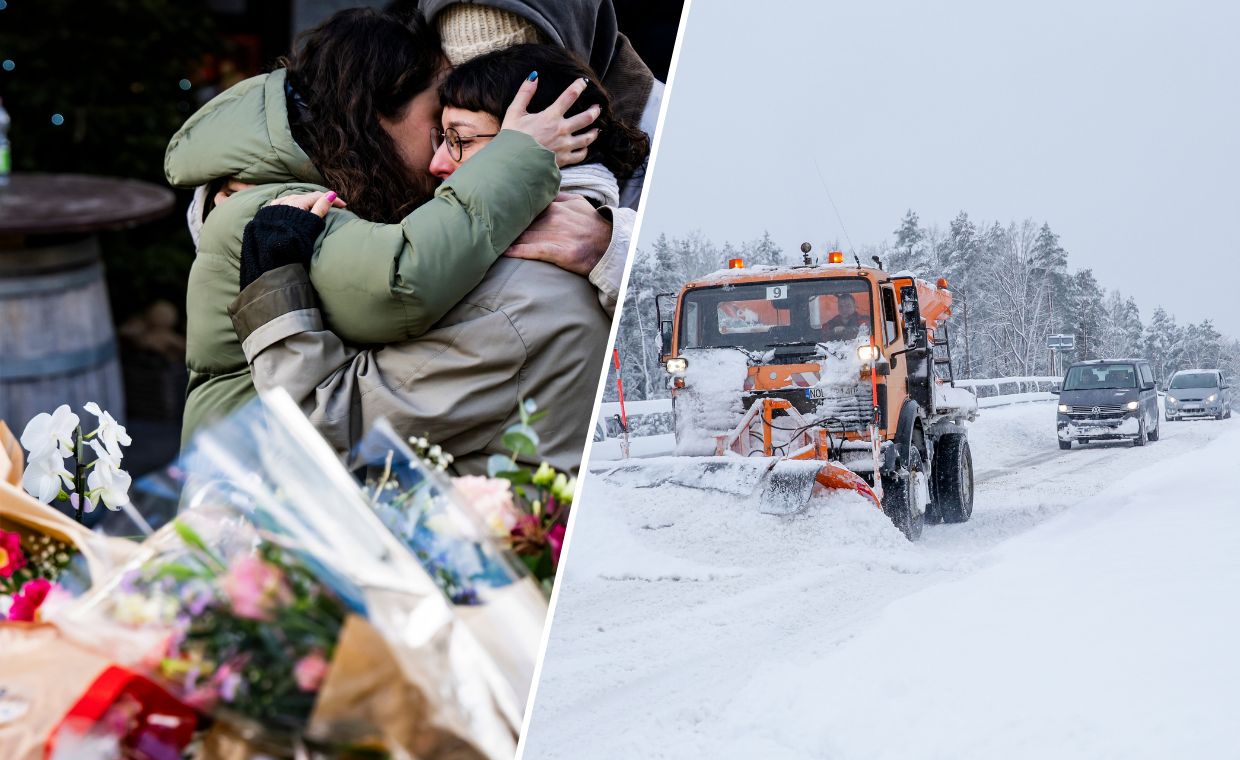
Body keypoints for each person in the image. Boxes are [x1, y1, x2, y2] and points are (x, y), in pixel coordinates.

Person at [165, 9, 610, 446]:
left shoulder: (318, 187)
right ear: (375, 114)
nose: (440, 160)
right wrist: (518, 156)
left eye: (458, 138)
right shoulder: (276, 206)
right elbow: (399, 284)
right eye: (440, 128)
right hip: (246, 475)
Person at [416, 0, 663, 210]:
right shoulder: (432, 114)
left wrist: (613, 235)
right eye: (463, 70)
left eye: (512, 69)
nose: (479, 91)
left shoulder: (662, 125)